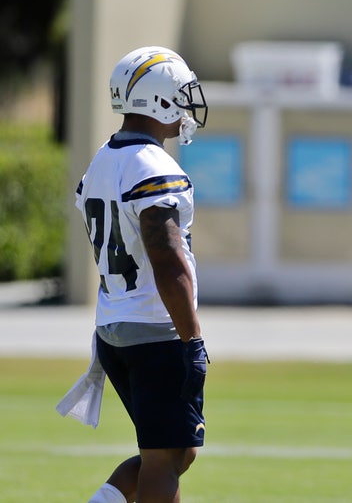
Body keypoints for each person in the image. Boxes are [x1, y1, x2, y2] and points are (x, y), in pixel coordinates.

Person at [74, 46, 209, 503]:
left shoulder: (103, 159)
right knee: (163, 458)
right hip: (154, 328)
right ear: (159, 101)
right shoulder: (152, 166)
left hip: (115, 322)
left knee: (178, 449)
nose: (188, 106)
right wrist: (192, 340)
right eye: (181, 94)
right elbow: (167, 258)